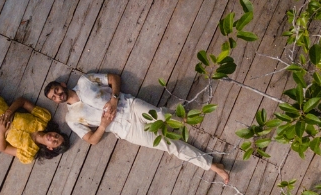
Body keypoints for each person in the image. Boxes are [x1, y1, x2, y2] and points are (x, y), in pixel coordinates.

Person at [44, 72, 229, 184]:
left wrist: (114, 99)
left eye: (57, 90)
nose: (58, 95)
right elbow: (92, 140)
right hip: (124, 129)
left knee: (164, 116)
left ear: (62, 85)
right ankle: (212, 165)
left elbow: (114, 79)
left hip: (128, 106)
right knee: (168, 145)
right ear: (55, 101)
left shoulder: (85, 81)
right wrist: (103, 125)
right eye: (54, 97)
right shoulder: (71, 118)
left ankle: (194, 116)